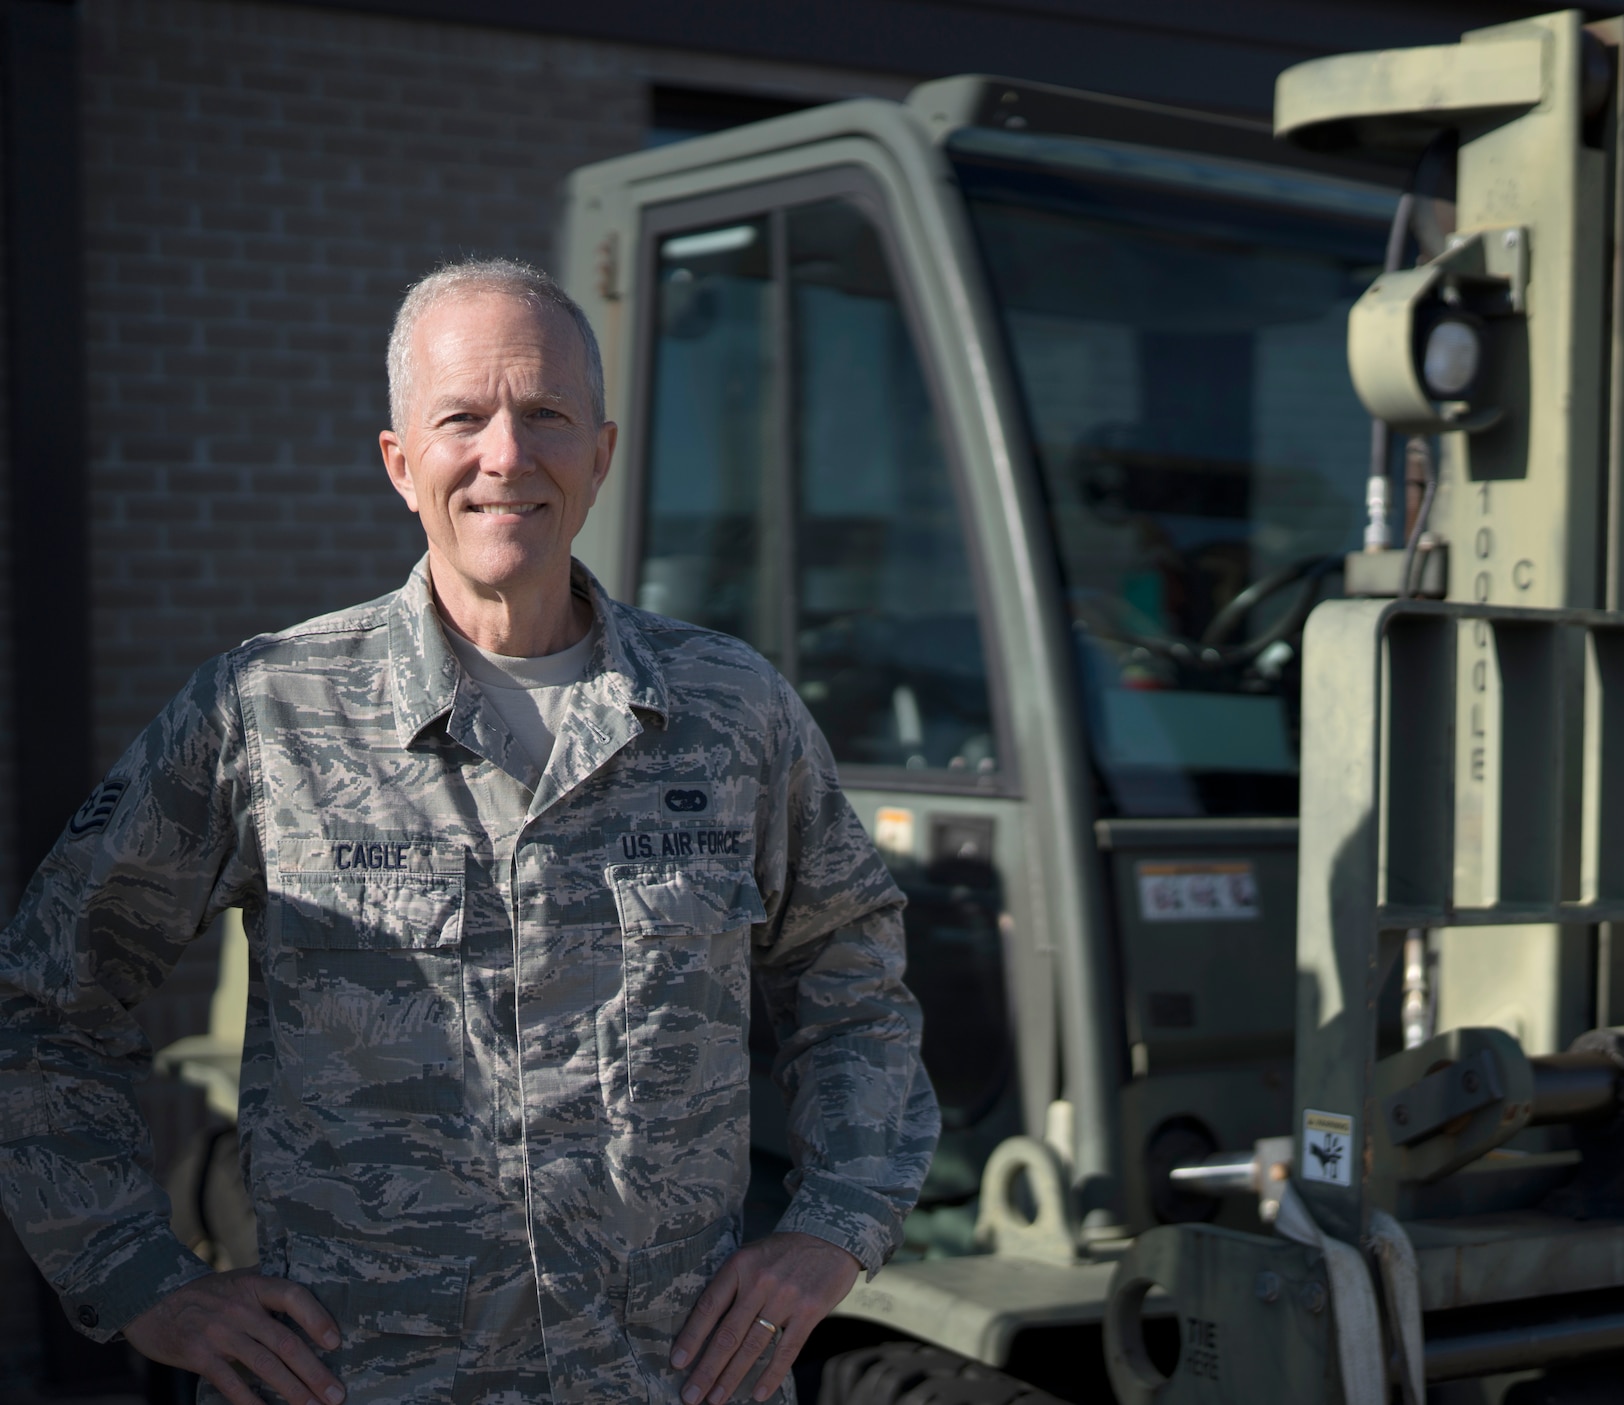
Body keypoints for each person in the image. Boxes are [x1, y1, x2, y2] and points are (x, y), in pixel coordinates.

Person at [0, 259, 939, 1405]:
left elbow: (853, 984)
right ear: (401, 462)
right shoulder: (265, 709)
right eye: (463, 418)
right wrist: (137, 1273)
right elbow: (41, 1006)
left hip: (667, 1382)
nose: (506, 455)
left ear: (599, 452)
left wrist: (834, 1227)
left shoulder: (733, 710)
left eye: (545, 415)